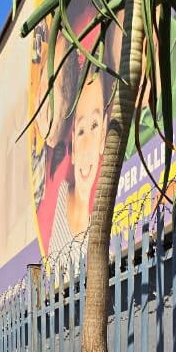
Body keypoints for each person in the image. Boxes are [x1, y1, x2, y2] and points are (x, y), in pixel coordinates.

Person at [48, 69, 108, 257]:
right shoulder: (54, 202)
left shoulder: (104, 230)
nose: (87, 146)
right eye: (81, 131)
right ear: (73, 144)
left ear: (103, 136)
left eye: (95, 125)